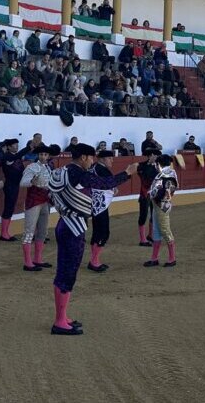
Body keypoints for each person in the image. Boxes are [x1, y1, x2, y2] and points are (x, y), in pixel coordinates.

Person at [47, 143, 129, 335]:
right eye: (91, 158)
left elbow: (51, 194)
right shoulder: (78, 173)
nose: (92, 161)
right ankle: (59, 321)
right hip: (73, 227)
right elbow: (105, 184)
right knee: (67, 273)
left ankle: (63, 316)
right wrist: (128, 173)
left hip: (64, 223)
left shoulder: (62, 171)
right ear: (83, 157)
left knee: (67, 271)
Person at [19, 144, 55, 271]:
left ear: (48, 156)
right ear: (38, 155)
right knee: (29, 232)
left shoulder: (48, 168)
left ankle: (38, 259)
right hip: (33, 202)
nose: (43, 156)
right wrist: (32, 182)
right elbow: (23, 183)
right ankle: (28, 262)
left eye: (45, 154)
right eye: (41, 154)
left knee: (42, 232)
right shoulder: (33, 167)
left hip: (45, 201)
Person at [144, 154, 180, 268]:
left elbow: (164, 192)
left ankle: (172, 259)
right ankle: (154, 259)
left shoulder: (165, 175)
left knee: (165, 230)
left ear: (158, 164)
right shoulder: (169, 173)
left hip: (161, 205)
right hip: (158, 204)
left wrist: (152, 194)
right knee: (156, 231)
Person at [87, 150, 119, 272]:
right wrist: (114, 188)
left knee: (97, 232)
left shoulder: (94, 167)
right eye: (109, 158)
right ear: (101, 159)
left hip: (94, 203)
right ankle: (94, 261)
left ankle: (94, 260)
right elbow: (110, 183)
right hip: (100, 205)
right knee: (103, 233)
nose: (112, 160)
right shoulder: (102, 169)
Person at [0, 138, 25, 241]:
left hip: (15, 184)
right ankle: (4, 233)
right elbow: (17, 157)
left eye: (17, 144)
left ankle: (5, 232)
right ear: (8, 147)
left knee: (11, 207)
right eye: (14, 145)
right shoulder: (7, 156)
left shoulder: (16, 157)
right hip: (9, 185)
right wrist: (28, 148)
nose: (16, 146)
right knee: (9, 207)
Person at [136, 151, 160, 247]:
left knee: (154, 215)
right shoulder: (142, 166)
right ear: (150, 155)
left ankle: (150, 235)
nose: (157, 157)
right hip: (145, 194)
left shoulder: (158, 166)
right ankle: (142, 240)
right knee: (143, 215)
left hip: (154, 194)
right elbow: (144, 176)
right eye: (155, 155)